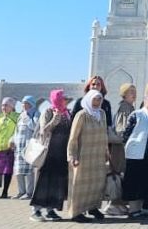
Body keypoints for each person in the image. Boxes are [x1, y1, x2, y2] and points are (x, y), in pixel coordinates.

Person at [30, 89, 71, 222]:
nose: (64, 101)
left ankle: (51, 209)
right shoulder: (48, 112)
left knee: (57, 182)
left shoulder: (67, 113)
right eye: (62, 99)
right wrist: (55, 119)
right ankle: (35, 210)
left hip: (61, 153)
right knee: (43, 181)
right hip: (48, 153)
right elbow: (44, 131)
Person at [67, 90, 108, 223]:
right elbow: (73, 138)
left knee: (96, 183)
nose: (97, 102)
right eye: (95, 99)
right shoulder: (82, 115)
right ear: (89, 100)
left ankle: (93, 207)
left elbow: (105, 134)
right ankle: (75, 212)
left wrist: (107, 153)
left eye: (99, 99)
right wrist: (72, 155)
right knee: (80, 185)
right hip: (83, 156)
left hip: (98, 156)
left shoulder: (102, 114)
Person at [122, 93, 148, 219]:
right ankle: (133, 210)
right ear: (145, 101)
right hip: (136, 156)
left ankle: (145, 208)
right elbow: (126, 134)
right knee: (134, 183)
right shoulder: (137, 114)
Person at [105, 83, 136, 216]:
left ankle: (119, 204)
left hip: (122, 148)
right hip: (120, 149)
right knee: (117, 175)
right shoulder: (125, 107)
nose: (134, 94)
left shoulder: (128, 106)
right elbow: (121, 130)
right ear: (124, 94)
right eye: (130, 92)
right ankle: (113, 205)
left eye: (134, 91)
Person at [12, 95, 39, 200]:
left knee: (28, 171)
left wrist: (28, 119)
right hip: (19, 146)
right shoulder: (21, 115)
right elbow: (16, 130)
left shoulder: (35, 114)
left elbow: (36, 127)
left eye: (27, 103)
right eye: (23, 103)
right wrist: (13, 140)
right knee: (18, 170)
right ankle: (21, 191)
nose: (24, 105)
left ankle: (29, 192)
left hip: (29, 146)